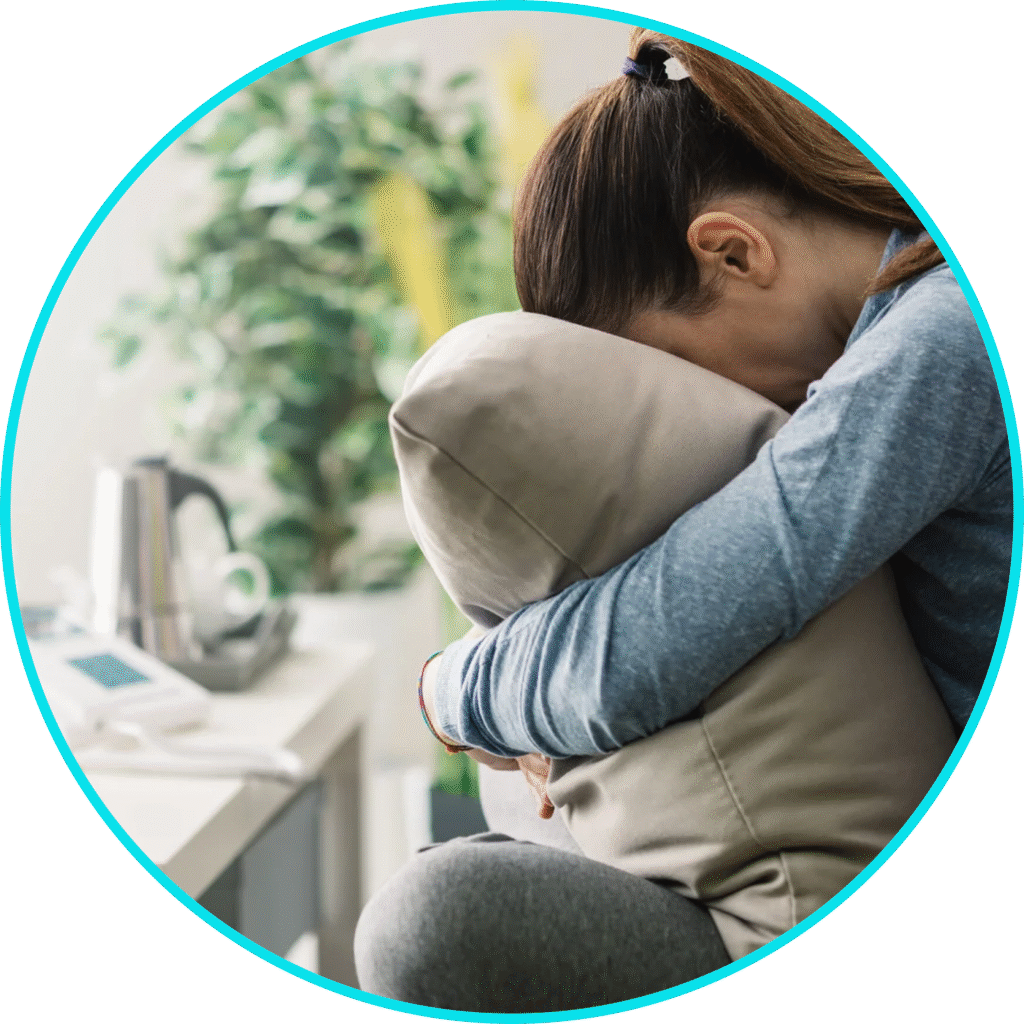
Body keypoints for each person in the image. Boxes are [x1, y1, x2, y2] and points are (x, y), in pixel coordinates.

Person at [354, 30, 1012, 1012]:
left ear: (733, 252)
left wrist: (446, 691)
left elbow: (647, 642)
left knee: (441, 916)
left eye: (676, 369)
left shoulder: (945, 340)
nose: (701, 406)